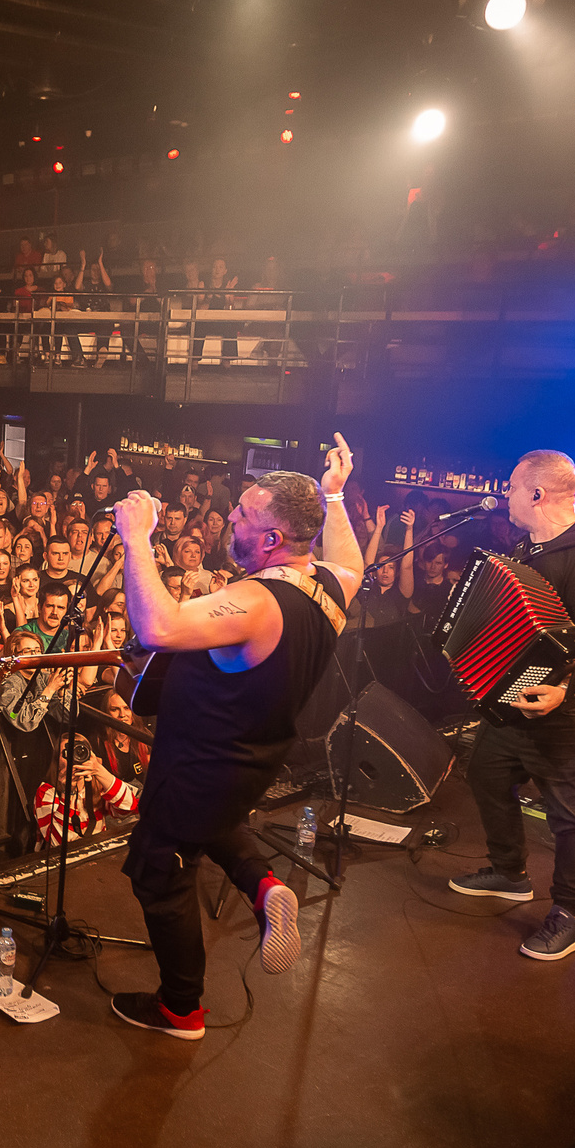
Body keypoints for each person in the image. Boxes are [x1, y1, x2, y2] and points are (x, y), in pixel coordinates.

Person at [107, 439, 362, 1039]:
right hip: (250, 761)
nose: (231, 519)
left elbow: (159, 626)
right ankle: (264, 886)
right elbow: (351, 560)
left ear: (272, 539)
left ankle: (181, 1008)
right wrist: (334, 492)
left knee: (159, 873)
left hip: (198, 763)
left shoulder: (254, 601)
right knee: (217, 823)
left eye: (246, 515)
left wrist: (137, 537)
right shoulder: (329, 586)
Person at [440, 451, 575, 960]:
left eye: (513, 489)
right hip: (521, 696)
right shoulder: (530, 549)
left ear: (537, 494)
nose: (506, 498)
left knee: (572, 815)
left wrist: (564, 692)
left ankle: (569, 915)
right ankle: (509, 871)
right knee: (485, 773)